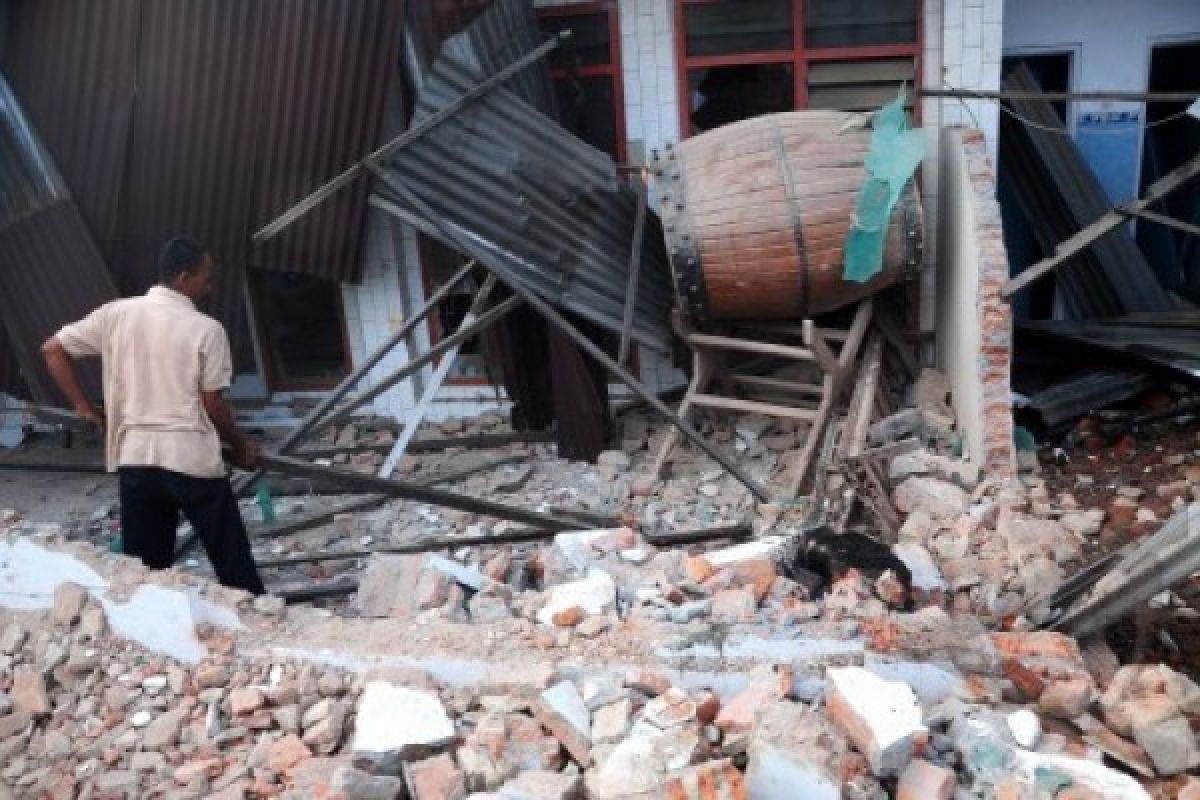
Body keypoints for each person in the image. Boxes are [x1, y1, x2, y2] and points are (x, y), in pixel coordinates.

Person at [41, 237, 266, 595]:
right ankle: (263, 632)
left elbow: (53, 350)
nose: (210, 287)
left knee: (147, 572)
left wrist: (82, 407)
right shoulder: (206, 330)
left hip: (136, 459)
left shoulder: (115, 315)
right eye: (206, 278)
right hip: (190, 459)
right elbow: (214, 405)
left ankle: (153, 640)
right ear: (182, 278)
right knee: (233, 564)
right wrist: (239, 444)